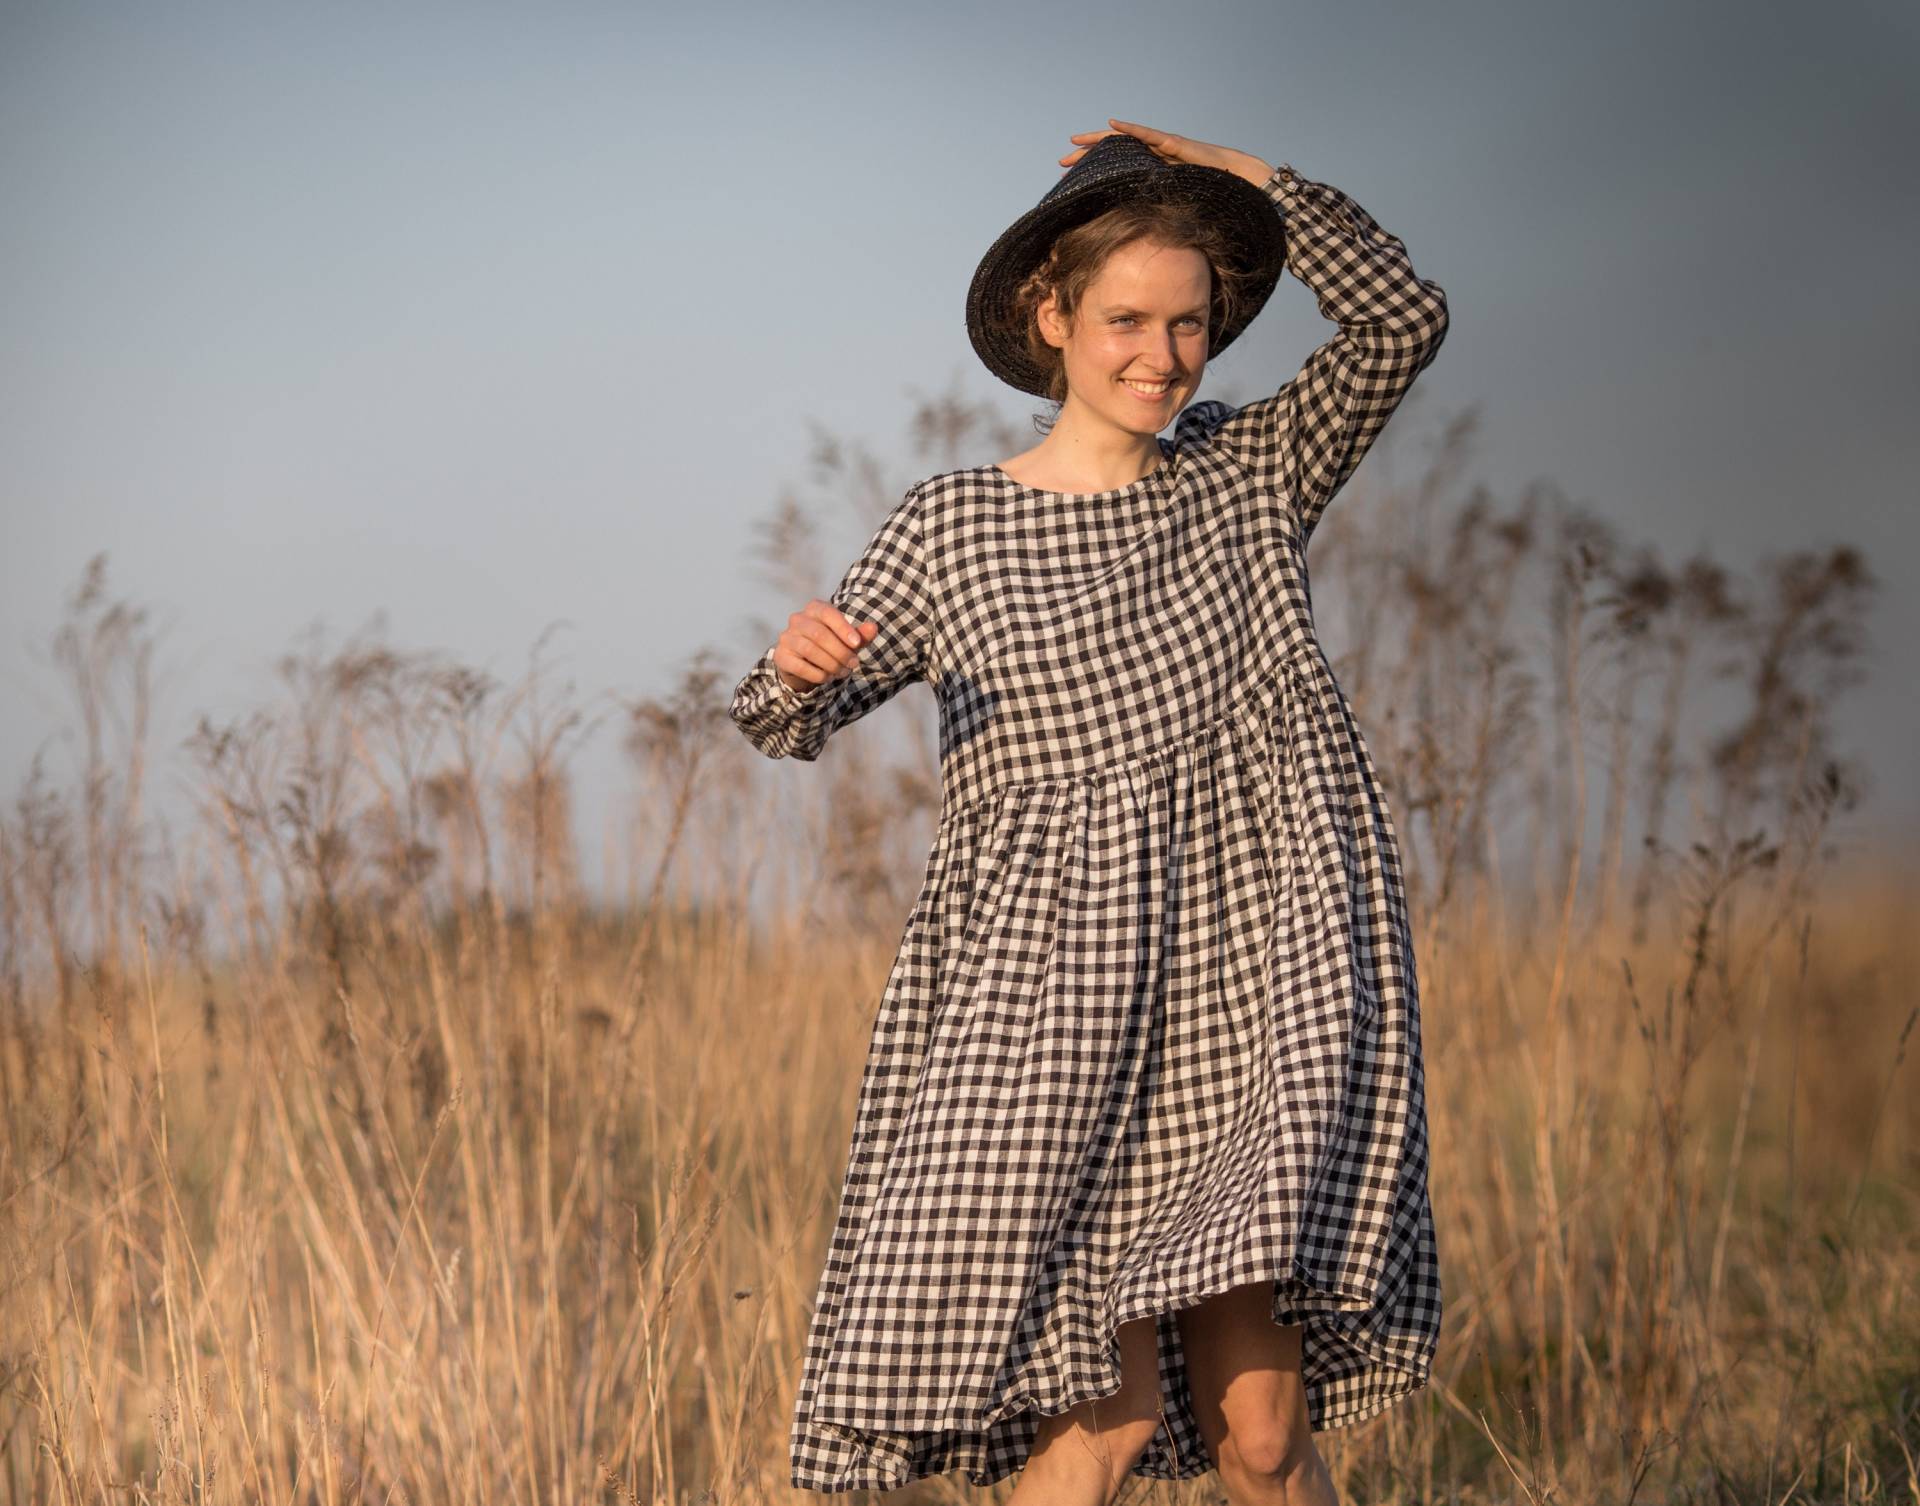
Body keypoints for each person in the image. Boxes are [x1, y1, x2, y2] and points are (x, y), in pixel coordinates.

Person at [729, 120, 1449, 1505]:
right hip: (1060, 1021)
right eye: (1125, 318)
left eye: (1192, 322)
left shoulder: (1250, 476)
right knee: (1098, 1434)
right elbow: (784, 717)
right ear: (1048, 316)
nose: (1161, 355)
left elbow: (1402, 317)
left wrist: (1235, 176)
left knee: (1260, 1431)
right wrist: (796, 664)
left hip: (1254, 994)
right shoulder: (952, 529)